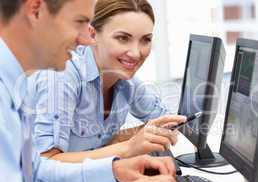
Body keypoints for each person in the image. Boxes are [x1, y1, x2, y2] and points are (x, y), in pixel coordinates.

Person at [0, 0, 182, 182]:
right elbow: (41, 168)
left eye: (146, 39)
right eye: (78, 22)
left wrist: (114, 169)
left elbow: (35, 177)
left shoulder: (15, 82)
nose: (87, 40)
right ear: (35, 11)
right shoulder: (54, 76)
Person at [28, 0, 184, 165]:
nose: (136, 53)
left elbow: (169, 121)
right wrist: (129, 147)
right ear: (93, 35)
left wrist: (140, 135)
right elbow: (46, 162)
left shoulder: (125, 81)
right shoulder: (62, 75)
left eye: (145, 40)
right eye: (123, 38)